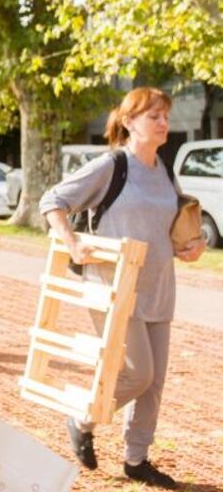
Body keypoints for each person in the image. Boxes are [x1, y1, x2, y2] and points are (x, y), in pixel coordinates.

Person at [40, 87, 205, 490]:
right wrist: (72, 242)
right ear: (129, 121)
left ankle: (137, 460)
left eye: (166, 115)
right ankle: (83, 420)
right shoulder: (113, 165)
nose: (164, 123)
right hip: (115, 287)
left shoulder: (163, 169)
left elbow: (164, 224)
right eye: (154, 116)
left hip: (159, 287)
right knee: (138, 374)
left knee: (155, 382)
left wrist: (189, 246)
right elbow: (53, 199)